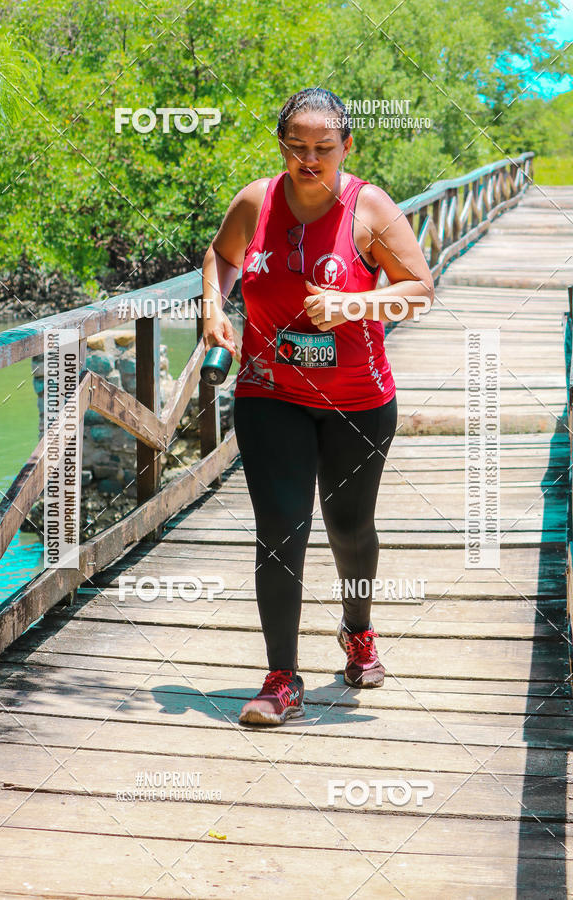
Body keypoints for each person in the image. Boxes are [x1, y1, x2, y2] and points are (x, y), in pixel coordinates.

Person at [200, 88, 434, 726]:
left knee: (349, 530)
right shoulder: (256, 200)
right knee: (281, 531)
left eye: (323, 149)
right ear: (281, 146)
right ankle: (281, 678)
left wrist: (352, 305)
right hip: (269, 390)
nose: (310, 160)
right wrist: (214, 307)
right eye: (297, 147)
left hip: (357, 400)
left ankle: (358, 631)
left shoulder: (370, 208)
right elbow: (221, 257)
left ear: (347, 146)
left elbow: (419, 290)